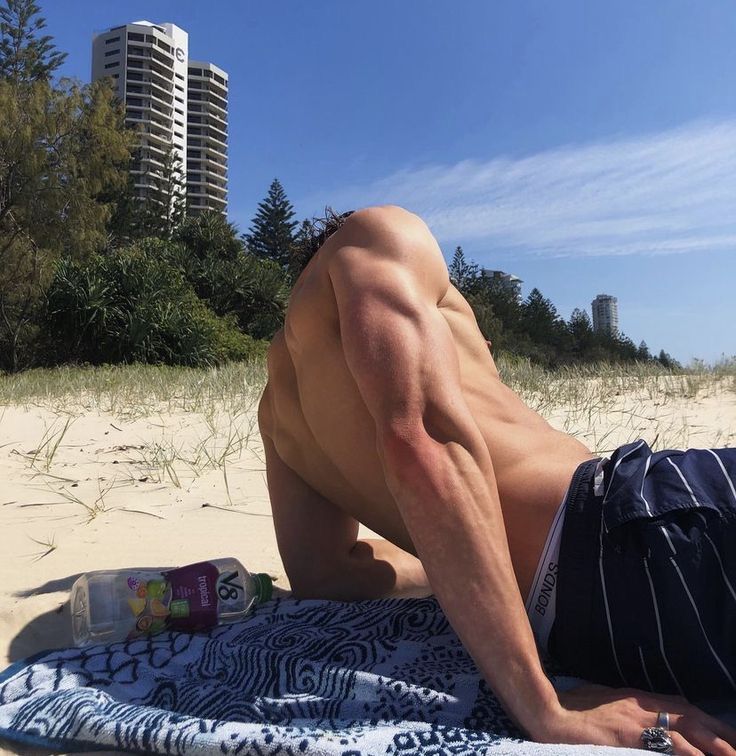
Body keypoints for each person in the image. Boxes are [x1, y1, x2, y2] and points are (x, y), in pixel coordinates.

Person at [257, 205, 736, 754]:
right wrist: (541, 705)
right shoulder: (374, 237)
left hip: (588, 631)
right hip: (640, 523)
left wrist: (462, 568)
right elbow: (422, 442)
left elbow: (328, 577)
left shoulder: (277, 413)